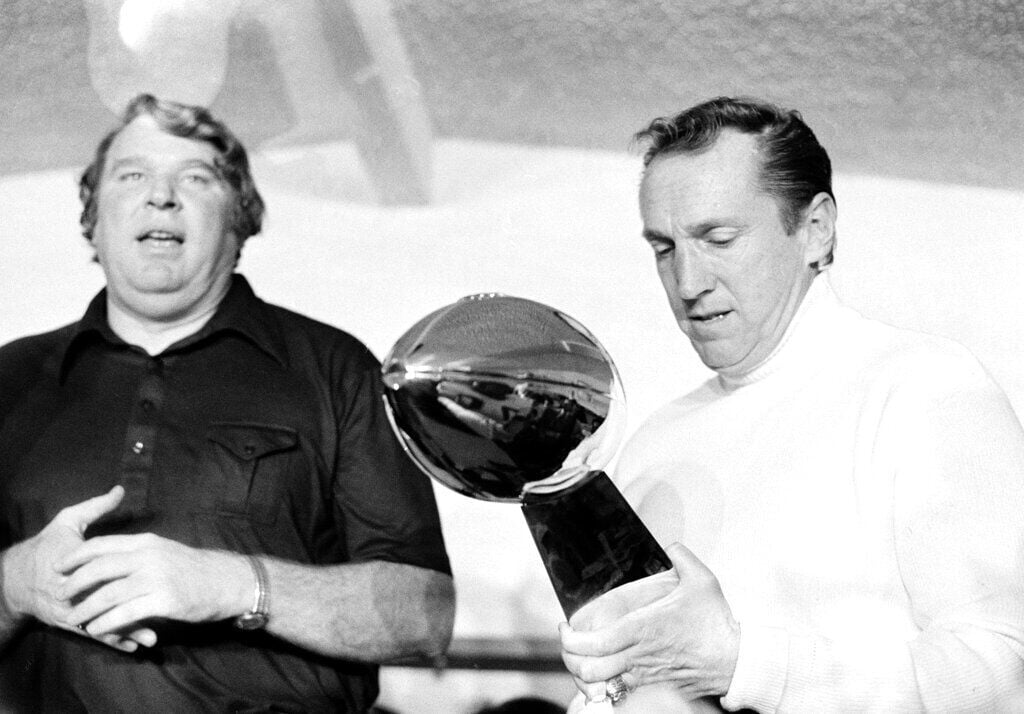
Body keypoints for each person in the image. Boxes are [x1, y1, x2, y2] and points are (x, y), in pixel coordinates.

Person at [558, 96, 1024, 712]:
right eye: (664, 248)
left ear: (814, 230)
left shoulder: (923, 388)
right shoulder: (654, 443)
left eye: (717, 238)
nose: (688, 284)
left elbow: (1003, 674)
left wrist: (741, 662)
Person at [0, 94, 454, 712]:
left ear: (240, 218)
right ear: (94, 217)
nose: (161, 196)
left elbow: (425, 621)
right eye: (133, 175)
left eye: (195, 178)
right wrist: (15, 582)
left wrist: (236, 584)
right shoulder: (11, 378)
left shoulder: (334, 369)